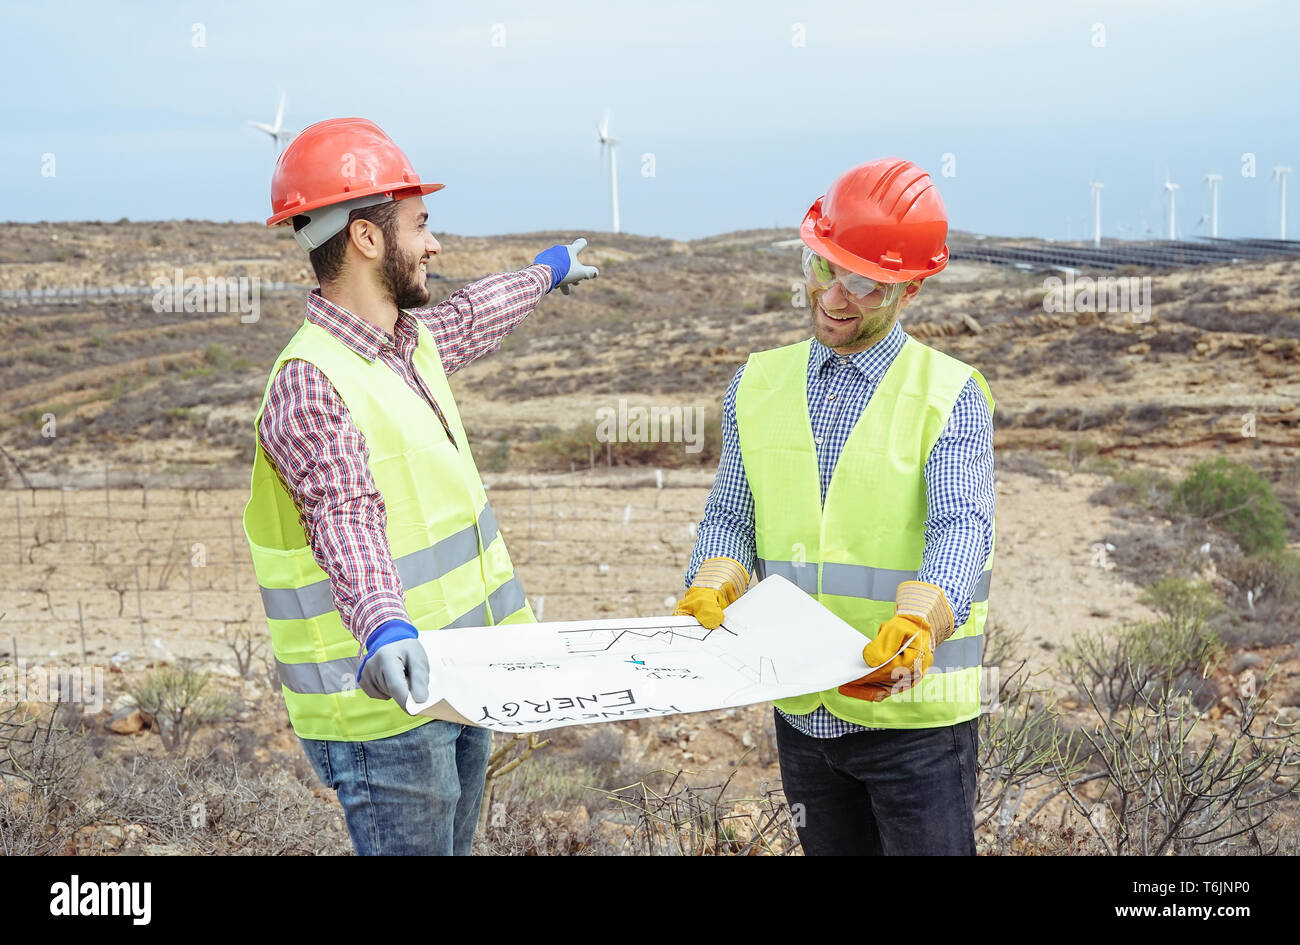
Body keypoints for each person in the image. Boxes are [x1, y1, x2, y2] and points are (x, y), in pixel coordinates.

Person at [242, 117, 597, 855]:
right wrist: (383, 627)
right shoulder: (311, 385)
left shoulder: (410, 343)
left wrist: (546, 273)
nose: (434, 243)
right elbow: (346, 515)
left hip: (455, 681)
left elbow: (476, 313)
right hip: (384, 709)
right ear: (368, 239)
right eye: (420, 224)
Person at [674, 158, 996, 856]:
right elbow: (734, 512)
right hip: (803, 713)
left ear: (910, 288)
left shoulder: (950, 394)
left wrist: (921, 621)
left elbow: (962, 524)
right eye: (823, 266)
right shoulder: (756, 382)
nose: (835, 295)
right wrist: (712, 580)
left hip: (912, 724)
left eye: (865, 283)